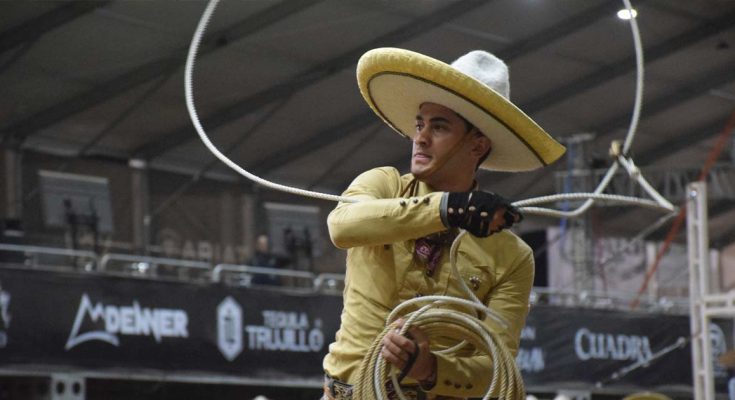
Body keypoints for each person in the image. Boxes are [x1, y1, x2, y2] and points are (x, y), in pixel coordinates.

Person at [321, 48, 566, 400]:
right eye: (420, 124)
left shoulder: (512, 256)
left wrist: (429, 368)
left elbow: (497, 363)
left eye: (439, 127)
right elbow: (341, 226)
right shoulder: (383, 185)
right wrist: (448, 208)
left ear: (477, 145)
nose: (419, 137)